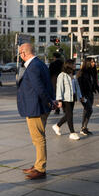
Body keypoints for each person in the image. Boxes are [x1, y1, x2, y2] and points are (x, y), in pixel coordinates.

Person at [17, 43, 57, 180]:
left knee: (38, 139)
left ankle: (40, 168)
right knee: (38, 138)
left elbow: (39, 88)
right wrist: (51, 100)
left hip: (36, 108)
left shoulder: (33, 66)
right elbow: (48, 84)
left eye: (19, 53)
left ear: (23, 53)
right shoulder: (39, 63)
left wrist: (49, 102)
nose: (19, 56)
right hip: (39, 107)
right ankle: (37, 164)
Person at [52, 59, 83, 141]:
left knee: (68, 115)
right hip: (65, 98)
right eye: (73, 64)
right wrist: (59, 100)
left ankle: (57, 126)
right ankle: (72, 133)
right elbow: (59, 88)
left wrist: (80, 96)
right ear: (69, 65)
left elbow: (77, 87)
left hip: (72, 97)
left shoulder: (73, 74)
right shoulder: (62, 75)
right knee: (70, 115)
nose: (75, 65)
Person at [77, 58, 99, 136]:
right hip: (84, 94)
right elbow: (79, 85)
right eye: (92, 62)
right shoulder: (81, 72)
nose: (94, 63)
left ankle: (84, 128)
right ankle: (83, 127)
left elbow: (95, 84)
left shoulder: (92, 72)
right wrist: (81, 96)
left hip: (90, 94)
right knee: (89, 109)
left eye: (94, 62)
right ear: (87, 63)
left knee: (87, 110)